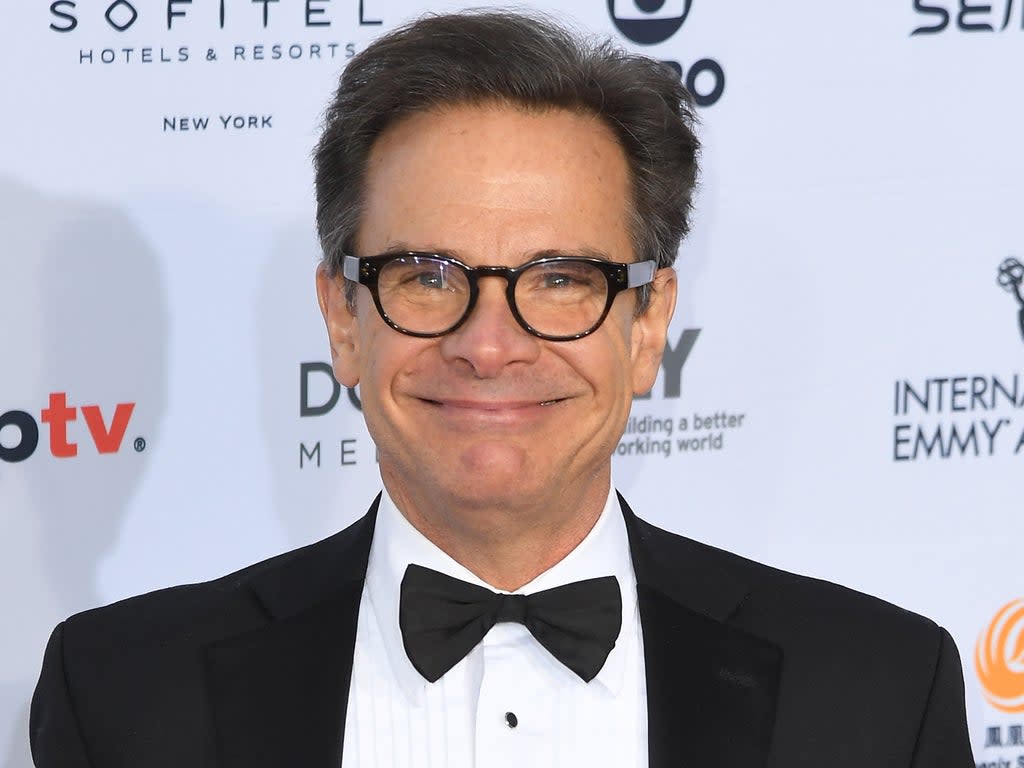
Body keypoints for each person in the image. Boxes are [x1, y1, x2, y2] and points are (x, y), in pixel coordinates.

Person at [31, 11, 973, 767]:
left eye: (560, 278)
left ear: (647, 327)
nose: (489, 345)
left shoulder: (875, 692)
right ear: (342, 320)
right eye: (427, 275)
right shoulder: (124, 693)